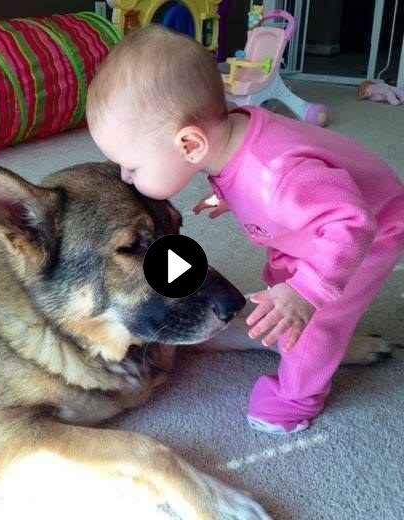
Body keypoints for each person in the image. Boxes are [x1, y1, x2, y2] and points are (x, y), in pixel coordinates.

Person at [86, 25, 404, 434]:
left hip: (367, 235)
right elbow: (250, 172)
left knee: (313, 322)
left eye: (132, 166)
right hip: (314, 220)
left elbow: (352, 223)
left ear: (189, 145)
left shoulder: (278, 176)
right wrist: (231, 195)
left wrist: (308, 290)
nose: (127, 179)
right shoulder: (230, 133)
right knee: (281, 293)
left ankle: (296, 400)